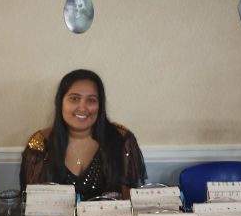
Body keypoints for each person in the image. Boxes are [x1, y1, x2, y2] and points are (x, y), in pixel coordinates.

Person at [20, 69, 147, 201]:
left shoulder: (121, 140)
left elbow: (130, 201)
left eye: (91, 100)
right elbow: (33, 205)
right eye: (74, 99)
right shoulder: (40, 144)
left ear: (100, 105)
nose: (82, 107)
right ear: (60, 102)